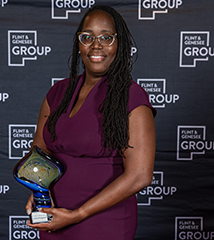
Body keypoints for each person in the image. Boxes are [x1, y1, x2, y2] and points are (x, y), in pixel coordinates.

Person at [26, 5, 156, 240]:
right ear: (79, 44)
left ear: (120, 44)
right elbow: (39, 151)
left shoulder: (131, 96)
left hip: (104, 222)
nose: (96, 45)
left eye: (106, 37)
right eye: (87, 37)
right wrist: (38, 191)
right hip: (53, 217)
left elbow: (140, 175)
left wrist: (77, 214)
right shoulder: (58, 92)